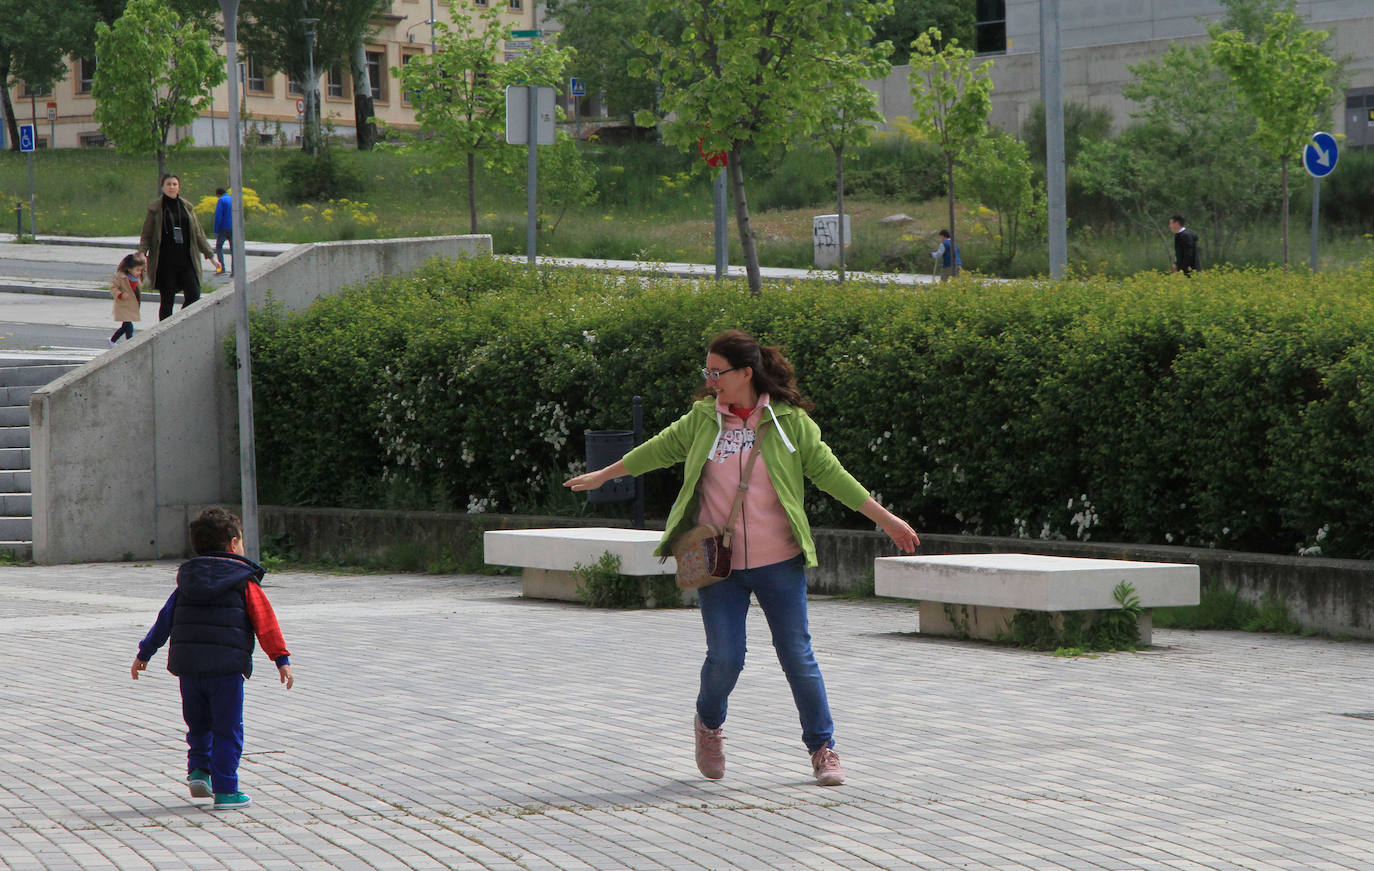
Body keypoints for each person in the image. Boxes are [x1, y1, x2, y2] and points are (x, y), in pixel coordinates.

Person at [564, 329, 919, 787]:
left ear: (746, 373)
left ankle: (823, 749)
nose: (711, 380)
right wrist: (604, 476)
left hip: (779, 561)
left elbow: (832, 474)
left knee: (797, 655)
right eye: (707, 372)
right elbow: (655, 450)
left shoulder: (789, 423)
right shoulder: (701, 420)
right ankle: (708, 725)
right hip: (719, 565)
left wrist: (885, 519)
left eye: (718, 372)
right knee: (726, 658)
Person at [131, 507, 293, 811]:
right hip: (226, 669)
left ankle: (198, 772)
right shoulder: (245, 581)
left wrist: (145, 653)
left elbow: (165, 619)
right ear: (233, 544)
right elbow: (265, 622)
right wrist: (280, 658)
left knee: (199, 724)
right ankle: (227, 790)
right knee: (227, 727)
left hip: (189, 669)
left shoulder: (186, 581)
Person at [140, 173, 220, 321]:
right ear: (162, 187)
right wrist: (142, 254)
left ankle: (177, 323)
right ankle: (164, 331)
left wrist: (211, 256)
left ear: (179, 187)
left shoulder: (187, 208)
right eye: (168, 184)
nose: (172, 187)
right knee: (167, 300)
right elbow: (146, 235)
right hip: (165, 262)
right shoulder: (155, 210)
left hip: (186, 260)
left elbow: (198, 234)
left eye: (174, 184)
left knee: (194, 295)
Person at [108, 252, 145, 347]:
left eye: (140, 270)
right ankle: (130, 344)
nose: (139, 273)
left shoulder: (136, 278)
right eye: (137, 270)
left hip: (132, 306)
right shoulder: (121, 277)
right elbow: (112, 287)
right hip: (123, 305)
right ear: (129, 269)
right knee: (129, 326)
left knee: (125, 326)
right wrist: (120, 295)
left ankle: (112, 340)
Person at [213, 187, 233, 276]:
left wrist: (216, 230)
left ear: (218, 194)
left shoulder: (221, 200)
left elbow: (218, 216)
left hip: (223, 228)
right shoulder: (232, 199)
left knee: (219, 247)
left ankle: (221, 268)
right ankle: (235, 270)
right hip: (233, 228)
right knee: (234, 249)